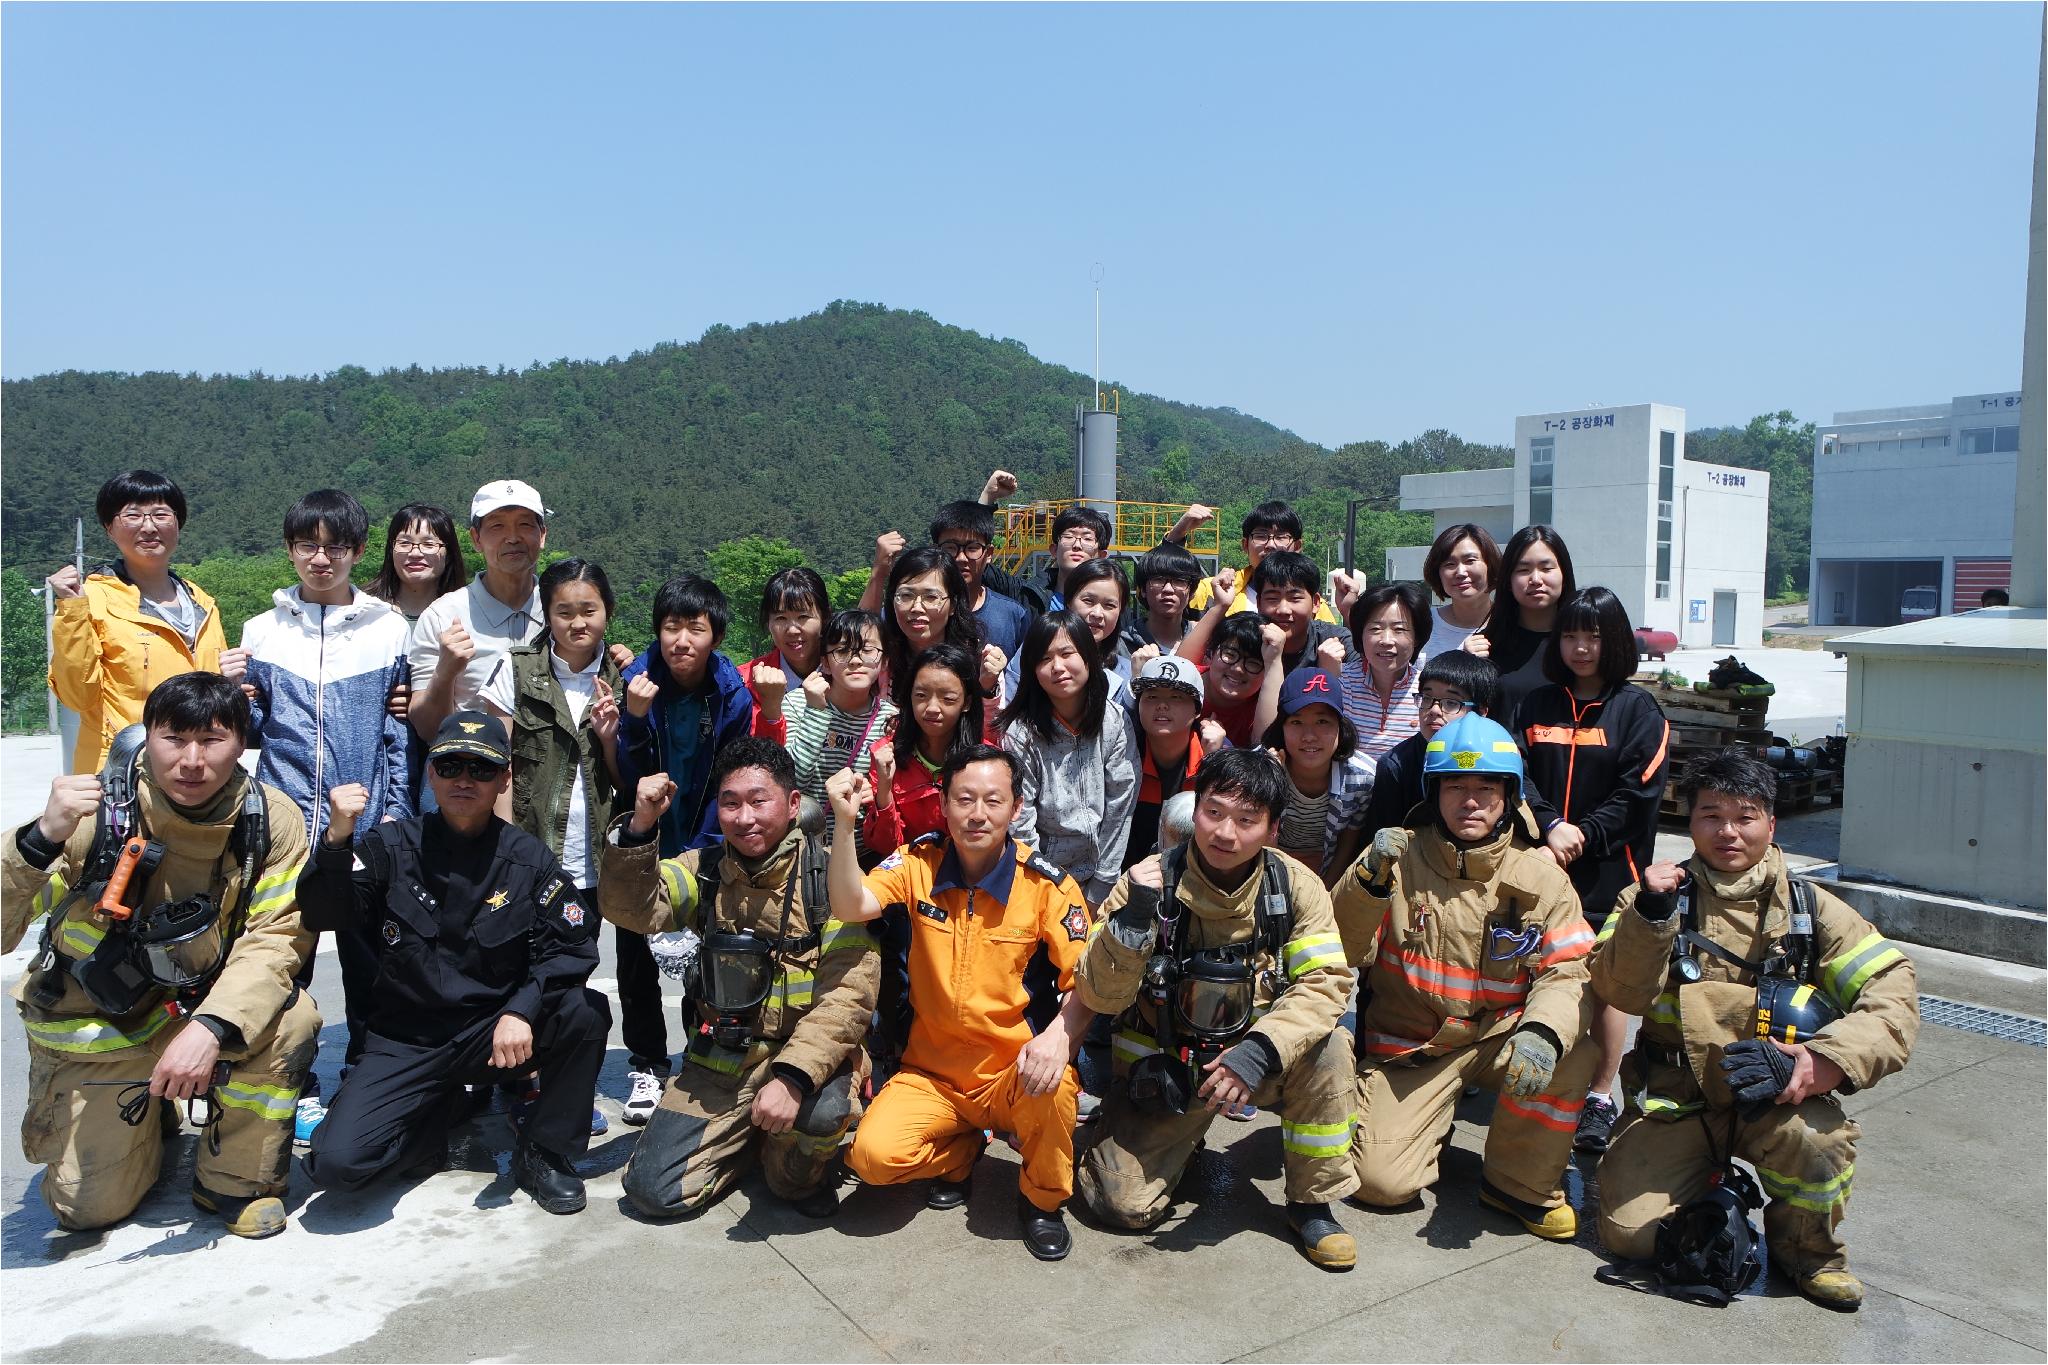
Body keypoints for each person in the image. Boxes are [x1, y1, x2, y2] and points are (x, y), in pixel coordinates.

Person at [1591, 750, 1919, 1311]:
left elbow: (1893, 993)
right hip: (1678, 1098)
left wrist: (1823, 1063)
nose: (1727, 832)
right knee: (1632, 1239)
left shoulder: (1811, 909)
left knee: (1818, 1145)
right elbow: (1620, 993)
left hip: (1777, 1096)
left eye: (1745, 816)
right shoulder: (1649, 897)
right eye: (1710, 815)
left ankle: (1810, 1255)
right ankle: (1717, 1187)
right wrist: (1651, 917)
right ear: (1687, 822)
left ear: (1771, 821)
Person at [4, 673, 319, 1237]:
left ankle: (233, 1181)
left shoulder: (271, 820)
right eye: (174, 739)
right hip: (100, 1024)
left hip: (193, 1014)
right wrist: (38, 839)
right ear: (147, 736)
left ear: (243, 743)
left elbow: (276, 940)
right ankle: (150, 1114)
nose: (192, 761)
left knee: (290, 1018)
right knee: (86, 1212)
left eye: (213, 740)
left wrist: (213, 1028)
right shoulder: (93, 814)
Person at [299, 711, 609, 1214]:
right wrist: (336, 839)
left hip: (493, 1036)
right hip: (407, 1041)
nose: (464, 780)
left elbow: (573, 947)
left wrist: (522, 1009)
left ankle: (545, 1151)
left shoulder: (527, 860)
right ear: (431, 774)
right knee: (339, 1164)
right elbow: (323, 911)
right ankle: (434, 1119)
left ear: (504, 778)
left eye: (481, 770)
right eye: (450, 766)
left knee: (584, 1011)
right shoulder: (389, 845)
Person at [1075, 747, 1359, 1267]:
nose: (1225, 833)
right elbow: (1098, 995)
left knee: (1330, 1048)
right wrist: (1135, 920)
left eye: (1247, 820)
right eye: (1214, 812)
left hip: (1258, 1064)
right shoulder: (1146, 882)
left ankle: (1312, 1203)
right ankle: (1163, 1139)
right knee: (1117, 1204)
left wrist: (1256, 1052)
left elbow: (1325, 984)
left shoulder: (1295, 888)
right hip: (1167, 1068)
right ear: (1195, 809)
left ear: (1273, 829)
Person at [1332, 712, 1598, 1240]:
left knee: (1572, 1055)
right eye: (1455, 785)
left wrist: (1542, 1031)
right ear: (1434, 792)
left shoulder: (1540, 876)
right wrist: (1367, 883)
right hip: (1413, 1050)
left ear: (1510, 794)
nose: (1470, 800)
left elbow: (1568, 972)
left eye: (1485, 786)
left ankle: (1517, 1185)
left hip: (1500, 1038)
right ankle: (1425, 1122)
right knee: (1381, 1186)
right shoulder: (1394, 857)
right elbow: (1341, 948)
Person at [825, 746, 1093, 1262]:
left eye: (994, 800)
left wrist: (1058, 1038)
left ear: (1016, 809)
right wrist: (843, 824)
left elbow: (1087, 981)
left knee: (1054, 1085)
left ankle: (1041, 1202)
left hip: (1011, 1071)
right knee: (871, 1158)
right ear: (943, 804)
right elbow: (849, 903)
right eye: (964, 799)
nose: (977, 813)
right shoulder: (917, 863)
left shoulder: (1046, 887)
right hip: (932, 1073)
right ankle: (961, 1149)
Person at [601, 742, 880, 1219]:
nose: (744, 817)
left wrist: (792, 1079)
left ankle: (786, 1150)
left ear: (793, 805)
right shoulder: (704, 870)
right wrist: (640, 827)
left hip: (808, 1059)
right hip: (724, 1058)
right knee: (652, 1192)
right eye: (730, 803)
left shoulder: (834, 876)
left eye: (759, 800)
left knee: (802, 1161)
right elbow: (631, 910)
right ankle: (747, 1136)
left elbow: (848, 999)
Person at [232, 489, 413, 1100]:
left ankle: (364, 1072)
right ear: (290, 550)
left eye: (335, 546)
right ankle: (290, 1075)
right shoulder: (261, 631)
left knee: (370, 963)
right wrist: (239, 696)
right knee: (286, 958)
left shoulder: (389, 629)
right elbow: (255, 733)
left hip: (362, 825)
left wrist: (392, 821)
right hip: (283, 828)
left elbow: (397, 735)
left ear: (358, 552)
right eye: (307, 545)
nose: (321, 557)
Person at [1515, 586, 1671, 1155]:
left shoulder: (1640, 711)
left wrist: (1581, 835)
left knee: (1601, 987)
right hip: (1540, 860)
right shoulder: (1536, 705)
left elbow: (1640, 795)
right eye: (1572, 635)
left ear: (1617, 642)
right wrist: (1551, 823)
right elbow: (1518, 774)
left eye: (1595, 636)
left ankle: (1600, 1098)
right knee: (1534, 969)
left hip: (1610, 873)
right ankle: (1534, 1079)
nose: (1582, 648)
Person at [481, 556, 625, 1141]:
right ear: (547, 613)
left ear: (607, 613)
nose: (576, 621)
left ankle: (559, 1085)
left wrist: (617, 734)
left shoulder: (624, 678)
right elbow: (498, 764)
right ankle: (517, 1080)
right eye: (563, 610)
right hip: (530, 854)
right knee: (516, 967)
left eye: (588, 610)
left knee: (570, 974)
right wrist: (501, 853)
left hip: (590, 862)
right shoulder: (513, 671)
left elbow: (626, 774)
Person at [616, 573, 757, 1121]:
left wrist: (701, 854)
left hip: (703, 847)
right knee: (634, 960)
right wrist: (632, 719)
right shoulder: (639, 682)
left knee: (707, 961)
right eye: (671, 626)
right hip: (643, 839)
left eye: (695, 628)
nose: (682, 640)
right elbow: (626, 775)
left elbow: (731, 776)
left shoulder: (731, 696)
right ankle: (647, 1064)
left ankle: (699, 1057)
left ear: (715, 635)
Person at [47, 470, 227, 774]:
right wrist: (71, 608)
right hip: (124, 771)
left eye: (161, 514)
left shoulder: (202, 602)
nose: (149, 526)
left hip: (196, 771)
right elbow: (78, 696)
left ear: (178, 524)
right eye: (133, 515)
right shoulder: (89, 599)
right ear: (109, 528)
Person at [996, 611, 1138, 909]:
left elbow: (1120, 807)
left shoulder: (1113, 720)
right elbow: (1021, 823)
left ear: (1087, 656)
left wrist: (1102, 885)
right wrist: (1048, 889)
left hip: (1101, 877)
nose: (1057, 667)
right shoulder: (1021, 734)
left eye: (1066, 653)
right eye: (1044, 659)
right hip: (1044, 881)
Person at [407, 480, 552, 743]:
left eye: (525, 524)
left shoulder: (562, 612)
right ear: (476, 538)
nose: (513, 537)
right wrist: (445, 672)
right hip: (470, 777)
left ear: (542, 535)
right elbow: (427, 730)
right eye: (497, 526)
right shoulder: (443, 616)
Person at [1360, 649, 1501, 838]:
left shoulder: (1500, 756)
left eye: (1451, 702)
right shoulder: (1395, 765)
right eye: (1427, 698)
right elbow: (1381, 838)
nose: (1434, 710)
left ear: (1482, 711)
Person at [862, 643, 985, 854]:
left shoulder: (986, 764)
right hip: (905, 874)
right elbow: (886, 847)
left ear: (966, 703)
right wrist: (884, 789)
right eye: (921, 695)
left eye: (948, 699)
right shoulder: (886, 756)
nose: (932, 708)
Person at [787, 608, 897, 840]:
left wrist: (875, 793)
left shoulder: (890, 719)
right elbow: (791, 781)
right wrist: (816, 712)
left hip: (858, 854)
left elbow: (892, 794)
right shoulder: (798, 703)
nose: (856, 660)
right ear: (825, 663)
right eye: (843, 651)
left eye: (867, 650)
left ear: (884, 661)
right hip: (802, 850)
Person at [1263, 667, 1375, 885]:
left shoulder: (1362, 778)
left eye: (1322, 722)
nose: (1309, 736)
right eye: (1296, 722)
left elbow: (1348, 841)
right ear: (1281, 727)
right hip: (1269, 865)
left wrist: (1327, 890)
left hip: (1325, 871)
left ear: (1341, 726)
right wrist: (1270, 783)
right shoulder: (1262, 768)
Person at [880, 547, 1003, 704]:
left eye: (931, 597)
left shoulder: (980, 663)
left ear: (953, 604)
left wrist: (986, 687)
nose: (917, 607)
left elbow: (989, 727)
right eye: (906, 595)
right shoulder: (878, 660)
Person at [1480, 525, 1577, 722]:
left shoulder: (1583, 646)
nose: (1535, 579)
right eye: (1523, 570)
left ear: (1564, 574)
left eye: (1546, 568)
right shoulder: (1485, 646)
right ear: (1508, 580)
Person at [1185, 501, 1340, 624]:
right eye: (1261, 536)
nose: (1270, 545)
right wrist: (1177, 535)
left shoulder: (1313, 605)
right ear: (1245, 544)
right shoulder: (1213, 590)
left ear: (1297, 546)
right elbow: (1167, 589)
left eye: (1281, 537)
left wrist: (1347, 612)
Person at [1123, 656, 1207, 869]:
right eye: (1151, 696)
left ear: (1197, 710)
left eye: (1176, 697)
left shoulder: (1215, 756)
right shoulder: (1119, 753)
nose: (1162, 705)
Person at [1340, 581, 1431, 765]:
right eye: (1375, 629)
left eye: (1399, 630)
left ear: (1417, 638)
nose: (1386, 640)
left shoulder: (1429, 692)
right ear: (1360, 635)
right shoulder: (1340, 681)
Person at [930, 500, 1031, 664]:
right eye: (950, 547)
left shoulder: (1013, 616)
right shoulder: (916, 612)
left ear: (989, 553)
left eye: (972, 548)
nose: (961, 558)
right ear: (935, 550)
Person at [743, 566, 830, 745]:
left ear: (825, 618)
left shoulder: (846, 674)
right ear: (768, 623)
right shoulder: (744, 681)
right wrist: (771, 707)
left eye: (803, 616)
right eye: (781, 618)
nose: (792, 629)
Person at [364, 502, 468, 626]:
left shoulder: (468, 614)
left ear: (449, 554)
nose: (415, 553)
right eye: (404, 543)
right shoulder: (363, 609)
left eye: (428, 544)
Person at [1250, 551, 1353, 674]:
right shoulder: (1246, 641)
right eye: (1272, 599)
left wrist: (1348, 612)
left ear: (1315, 603)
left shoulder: (1337, 642)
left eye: (1295, 598)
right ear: (1258, 603)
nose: (1283, 610)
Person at [1421, 523, 1499, 658]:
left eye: (1470, 560)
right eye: (1449, 564)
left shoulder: (1514, 623)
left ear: (1490, 564)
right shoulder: (1422, 625)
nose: (1461, 572)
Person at [1133, 541, 1204, 650]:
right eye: (1158, 580)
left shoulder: (1207, 647)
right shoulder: (1121, 646)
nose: (1168, 589)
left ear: (1192, 592)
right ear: (1143, 589)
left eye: (1179, 581)